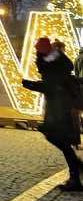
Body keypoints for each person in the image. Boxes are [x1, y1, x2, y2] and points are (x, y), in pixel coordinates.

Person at [23, 37, 82, 192]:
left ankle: (76, 175)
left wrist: (32, 85)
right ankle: (76, 171)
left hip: (60, 110)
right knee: (60, 140)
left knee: (56, 137)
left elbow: (51, 86)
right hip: (62, 108)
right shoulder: (56, 62)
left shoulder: (52, 65)